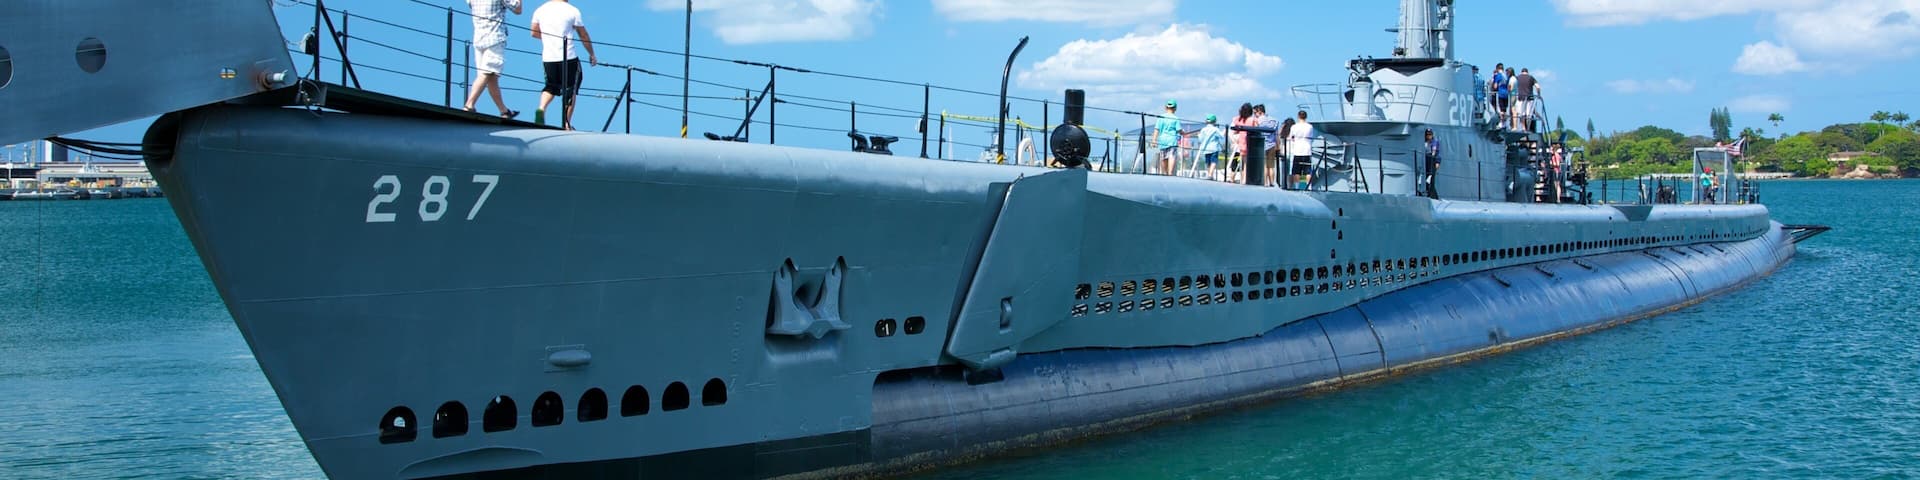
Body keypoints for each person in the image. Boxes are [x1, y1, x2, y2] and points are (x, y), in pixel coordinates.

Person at [531, 0, 597, 129]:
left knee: (550, 86)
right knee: (571, 89)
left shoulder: (540, 10)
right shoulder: (572, 10)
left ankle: (541, 108)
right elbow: (583, 34)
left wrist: (549, 38)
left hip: (549, 57)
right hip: (569, 57)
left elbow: (533, 32)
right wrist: (592, 54)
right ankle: (566, 123)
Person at [463, 0, 522, 118]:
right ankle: (469, 105)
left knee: (491, 77)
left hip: (479, 38)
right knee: (487, 73)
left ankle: (504, 110)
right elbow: (517, 9)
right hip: (495, 38)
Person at [1288, 110, 1316, 190]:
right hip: (1307, 150)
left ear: (1298, 116)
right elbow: (1311, 136)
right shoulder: (1310, 126)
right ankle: (1309, 187)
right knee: (1308, 171)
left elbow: (1291, 137)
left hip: (1297, 150)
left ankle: (1297, 186)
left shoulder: (1294, 127)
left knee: (1297, 170)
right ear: (1306, 117)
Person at [1229, 103, 1256, 183]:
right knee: (1245, 164)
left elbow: (1231, 133)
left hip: (1238, 145)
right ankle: (1244, 180)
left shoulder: (1237, 120)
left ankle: (1232, 178)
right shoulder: (1252, 120)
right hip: (1248, 144)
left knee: (1235, 163)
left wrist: (1234, 141)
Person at [1254, 104, 1280, 187]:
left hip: (1262, 145)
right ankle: (1272, 182)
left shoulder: (1258, 121)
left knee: (1264, 165)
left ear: (1259, 112)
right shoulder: (1273, 120)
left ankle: (1264, 182)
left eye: (1255, 113)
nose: (1254, 115)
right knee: (1271, 166)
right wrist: (1278, 145)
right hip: (1272, 144)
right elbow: (1276, 134)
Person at [1155, 100, 1182, 176]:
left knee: (1163, 158)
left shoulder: (1161, 117)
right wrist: (1183, 133)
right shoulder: (1176, 118)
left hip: (1162, 141)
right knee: (1171, 156)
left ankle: (1165, 173)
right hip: (1172, 141)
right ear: (1175, 108)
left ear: (1165, 107)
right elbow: (1179, 130)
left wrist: (1154, 140)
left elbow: (1156, 129)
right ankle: (1170, 173)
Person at [1196, 115, 1225, 180]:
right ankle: (1210, 175)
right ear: (1214, 122)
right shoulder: (1215, 129)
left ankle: (1210, 175)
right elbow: (1221, 136)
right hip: (1214, 148)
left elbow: (1200, 139)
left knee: (1208, 162)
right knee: (1213, 161)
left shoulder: (1203, 130)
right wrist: (1224, 131)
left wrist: (1198, 135)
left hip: (1206, 149)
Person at [1514, 68, 1540, 133]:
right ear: (1527, 72)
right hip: (1529, 98)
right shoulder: (1531, 77)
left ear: (1521, 72)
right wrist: (1539, 94)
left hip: (1520, 98)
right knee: (1529, 114)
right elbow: (1538, 87)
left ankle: (1523, 127)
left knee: (1521, 114)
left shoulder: (1517, 77)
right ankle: (1529, 128)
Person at [1424, 129, 1441, 199]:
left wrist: (1437, 162)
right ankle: (1428, 192)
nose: (1429, 136)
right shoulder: (1425, 142)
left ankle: (1432, 195)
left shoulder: (1434, 142)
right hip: (1426, 159)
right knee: (1427, 177)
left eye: (1430, 134)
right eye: (1427, 134)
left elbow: (1435, 152)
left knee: (1431, 177)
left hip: (1432, 160)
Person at [1490, 63, 1508, 128]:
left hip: (1500, 94)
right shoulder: (1506, 76)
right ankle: (1505, 123)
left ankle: (1500, 122)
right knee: (1504, 110)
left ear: (1497, 68)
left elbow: (1495, 86)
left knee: (1500, 110)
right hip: (1506, 94)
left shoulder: (1498, 75)